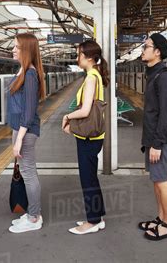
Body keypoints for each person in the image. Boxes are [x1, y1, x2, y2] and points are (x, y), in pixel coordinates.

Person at [62, 40, 109, 235]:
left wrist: (67, 117)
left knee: (87, 178)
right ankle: (96, 216)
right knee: (91, 177)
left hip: (89, 138)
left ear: (88, 57)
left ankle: (92, 221)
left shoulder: (91, 77)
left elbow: (86, 110)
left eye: (79, 54)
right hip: (93, 137)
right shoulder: (95, 75)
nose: (76, 57)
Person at [137, 33, 167, 241]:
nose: (143, 49)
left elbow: (166, 113)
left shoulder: (165, 77)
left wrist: (157, 144)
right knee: (156, 181)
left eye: (147, 46)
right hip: (152, 140)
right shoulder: (153, 74)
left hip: (160, 141)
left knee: (163, 182)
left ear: (157, 52)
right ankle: (160, 219)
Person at [7, 33, 46, 233]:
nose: (12, 49)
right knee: (28, 171)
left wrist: (19, 140)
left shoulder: (30, 75)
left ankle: (33, 218)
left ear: (26, 50)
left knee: (29, 173)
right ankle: (32, 212)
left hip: (26, 131)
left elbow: (29, 111)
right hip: (21, 129)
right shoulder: (24, 70)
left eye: (16, 47)